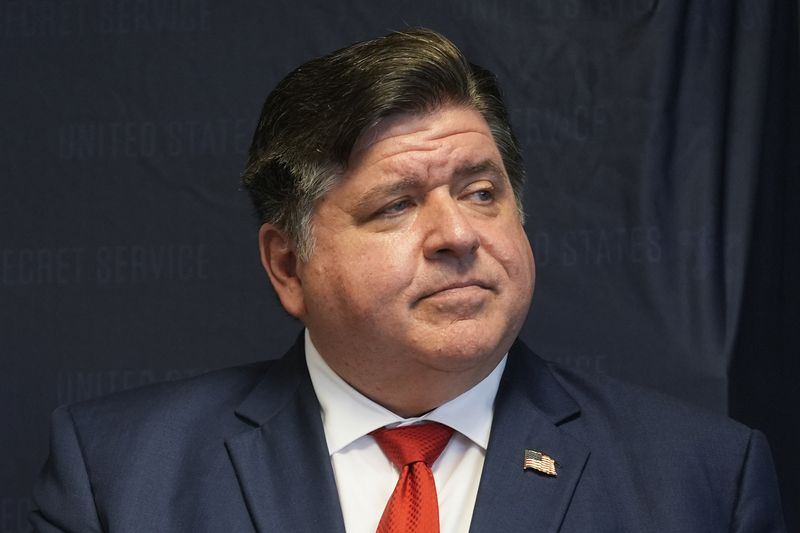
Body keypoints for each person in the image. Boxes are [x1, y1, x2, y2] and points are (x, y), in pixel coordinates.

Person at [31, 29, 785, 532]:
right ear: (288, 265)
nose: (458, 234)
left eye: (481, 191)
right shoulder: (117, 476)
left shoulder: (705, 481)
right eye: (396, 204)